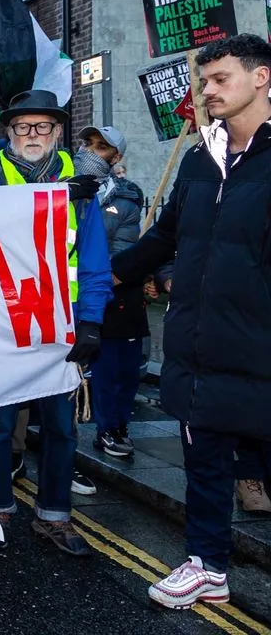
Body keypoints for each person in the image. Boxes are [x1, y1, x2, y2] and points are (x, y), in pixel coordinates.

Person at [111, 35, 271, 609]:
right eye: (205, 81)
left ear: (261, 78)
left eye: (219, 78)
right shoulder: (202, 156)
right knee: (204, 463)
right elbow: (163, 237)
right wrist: (99, 281)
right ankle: (207, 565)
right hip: (198, 346)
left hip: (259, 348)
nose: (207, 90)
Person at [0, 89, 111, 557]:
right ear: (8, 131)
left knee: (60, 428)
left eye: (43, 127)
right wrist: (49, 195)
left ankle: (54, 515)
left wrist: (91, 319)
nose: (33, 135)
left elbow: (93, 257)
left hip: (61, 323)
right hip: (3, 322)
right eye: (23, 127)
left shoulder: (82, 184)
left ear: (57, 132)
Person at [73, 126, 147, 459]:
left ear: (116, 158)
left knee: (118, 370)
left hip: (114, 293)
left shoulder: (127, 197)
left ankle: (112, 427)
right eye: (87, 143)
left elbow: (124, 247)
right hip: (68, 294)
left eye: (101, 147)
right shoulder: (57, 185)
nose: (89, 151)